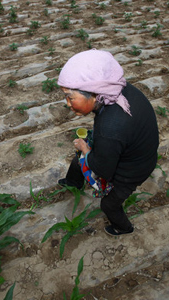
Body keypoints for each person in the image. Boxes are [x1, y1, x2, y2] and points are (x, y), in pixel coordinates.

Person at [57, 49, 159, 236]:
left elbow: (103, 170)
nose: (67, 104)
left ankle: (124, 228)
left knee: (109, 204)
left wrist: (86, 148)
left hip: (132, 170)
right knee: (79, 159)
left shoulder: (110, 127)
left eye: (70, 97)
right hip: (132, 148)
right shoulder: (121, 90)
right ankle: (73, 182)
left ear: (94, 93)